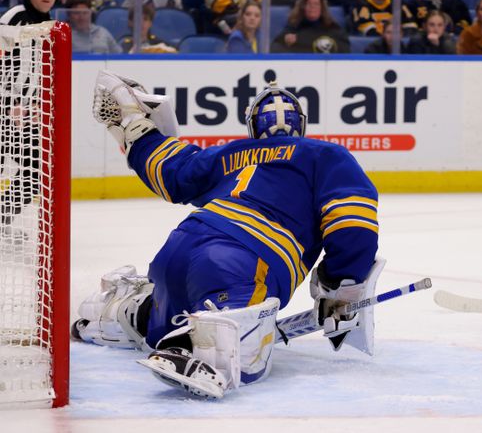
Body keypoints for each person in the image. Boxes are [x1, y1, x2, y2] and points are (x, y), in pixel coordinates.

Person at [73, 71, 381, 399]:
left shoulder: (230, 154)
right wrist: (341, 285)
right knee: (238, 354)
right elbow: (353, 223)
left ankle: (125, 312)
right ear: (301, 125)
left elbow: (170, 171)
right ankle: (203, 343)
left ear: (252, 126)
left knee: (162, 318)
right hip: (242, 262)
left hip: (180, 245)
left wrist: (137, 127)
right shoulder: (326, 155)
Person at [0, 0, 62, 243]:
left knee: (34, 171)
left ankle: (1, 220)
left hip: (27, 115)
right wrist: (9, 100)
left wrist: (37, 104)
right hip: (3, 110)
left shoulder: (55, 26)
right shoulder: (14, 17)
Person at [271, 0, 351, 53]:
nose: (312, 7)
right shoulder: (294, 26)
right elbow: (277, 44)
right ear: (303, 7)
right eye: (309, 4)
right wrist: (286, 40)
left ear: (322, 8)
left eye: (316, 4)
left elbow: (345, 49)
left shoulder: (333, 28)